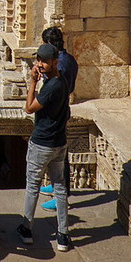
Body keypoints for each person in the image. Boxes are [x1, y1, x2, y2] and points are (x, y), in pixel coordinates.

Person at [17, 43, 72, 251]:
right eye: (38, 60)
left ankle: (26, 229)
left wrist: (32, 82)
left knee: (32, 186)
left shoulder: (51, 87)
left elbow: (29, 108)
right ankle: (63, 234)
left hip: (42, 143)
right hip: (59, 143)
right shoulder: (62, 81)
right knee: (59, 187)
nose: (39, 64)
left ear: (54, 62)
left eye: (44, 61)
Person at [39, 27, 77, 211]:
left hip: (56, 111)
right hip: (62, 107)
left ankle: (62, 197)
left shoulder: (58, 66)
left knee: (59, 155)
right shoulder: (70, 59)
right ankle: (55, 187)